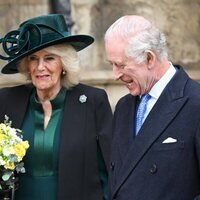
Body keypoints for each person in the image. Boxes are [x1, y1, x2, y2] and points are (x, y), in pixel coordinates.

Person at [0, 14, 113, 200]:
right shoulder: (7, 100)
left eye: (49, 58)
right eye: (33, 59)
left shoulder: (93, 101)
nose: (40, 67)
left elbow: (109, 169)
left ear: (64, 64)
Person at [104, 15, 200, 200]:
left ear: (149, 58)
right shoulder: (123, 107)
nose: (115, 74)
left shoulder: (196, 103)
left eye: (120, 65)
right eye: (112, 64)